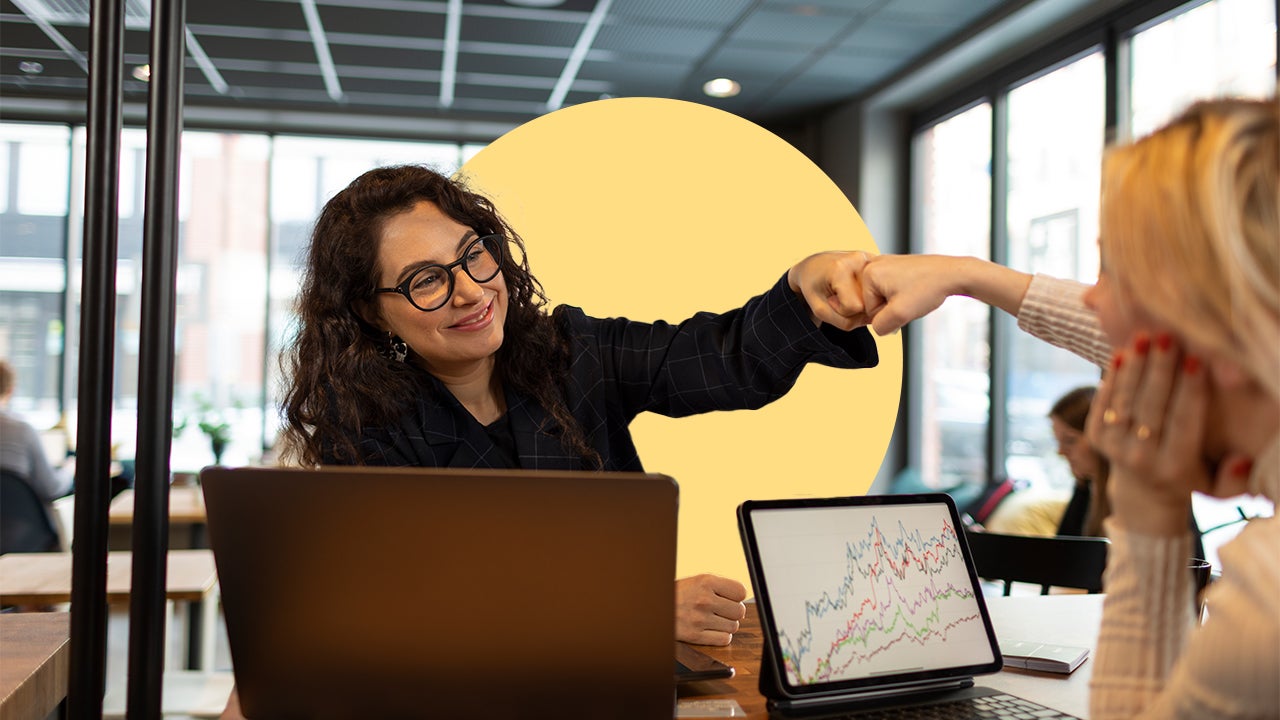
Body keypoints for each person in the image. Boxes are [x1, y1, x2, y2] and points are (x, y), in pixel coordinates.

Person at [278, 163, 880, 647]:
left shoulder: (574, 351)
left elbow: (726, 357)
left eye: (472, 254)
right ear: (367, 311)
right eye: (426, 281)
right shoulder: (362, 430)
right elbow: (423, 613)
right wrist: (636, 612)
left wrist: (806, 290)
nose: (471, 290)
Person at [849, 96, 1278, 718]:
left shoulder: (1266, 604)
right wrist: (968, 275)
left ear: (1220, 322)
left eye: (1115, 271)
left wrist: (1147, 509)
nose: (1095, 302)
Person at [0, 359, 72, 551]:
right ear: (10, 389)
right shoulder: (21, 431)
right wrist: (68, 471)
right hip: (22, 537)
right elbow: (51, 488)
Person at [1049, 386, 1110, 538]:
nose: (1060, 452)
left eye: (1070, 440)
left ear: (1102, 438)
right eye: (1058, 441)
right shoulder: (1085, 486)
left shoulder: (1125, 496)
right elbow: (1063, 548)